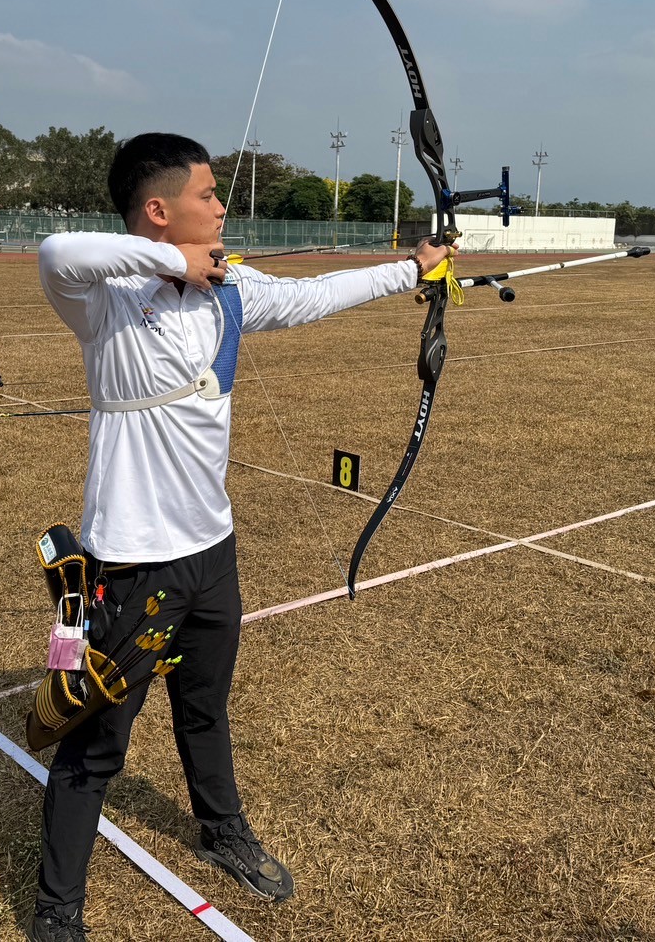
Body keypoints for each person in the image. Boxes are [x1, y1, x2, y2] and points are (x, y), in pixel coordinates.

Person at [28, 133, 451, 941]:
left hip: (211, 550)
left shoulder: (230, 291)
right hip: (129, 557)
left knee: (205, 705)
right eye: (206, 195)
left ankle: (221, 829)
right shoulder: (104, 301)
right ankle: (57, 910)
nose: (221, 207)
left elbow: (314, 295)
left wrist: (413, 268)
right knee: (95, 738)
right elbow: (57, 251)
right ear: (158, 211)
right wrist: (167, 264)